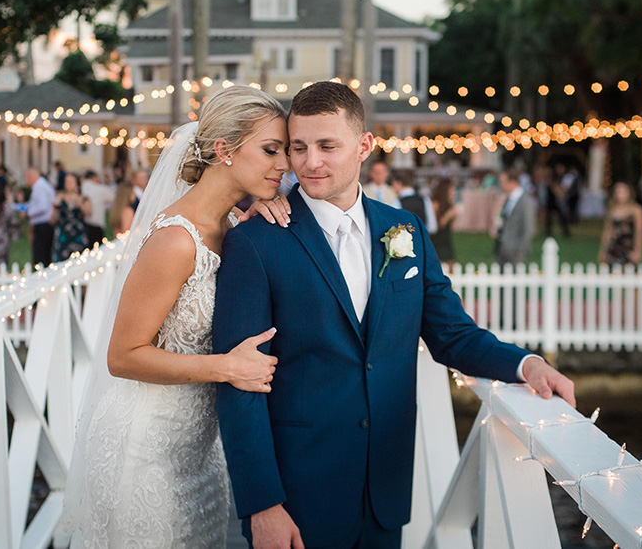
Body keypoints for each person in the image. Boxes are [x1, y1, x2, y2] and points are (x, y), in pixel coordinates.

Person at [213, 81, 574, 549]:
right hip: (298, 495)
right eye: (298, 147)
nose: (309, 162)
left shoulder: (404, 230)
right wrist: (262, 505)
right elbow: (239, 382)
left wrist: (526, 364)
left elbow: (452, 335)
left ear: (364, 145)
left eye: (327, 146)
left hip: (384, 487)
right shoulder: (256, 241)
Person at [59, 86, 291, 548]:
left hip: (200, 455)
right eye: (271, 149)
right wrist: (225, 367)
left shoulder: (229, 229)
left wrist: (252, 222)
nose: (284, 163)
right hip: (142, 453)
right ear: (224, 150)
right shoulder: (175, 240)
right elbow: (122, 356)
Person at [494, 169, 537, 266]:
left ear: (512, 182)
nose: (500, 185)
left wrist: (521, 251)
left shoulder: (525, 201)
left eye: (502, 182)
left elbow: (529, 228)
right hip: (502, 248)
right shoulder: (509, 199)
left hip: (515, 251)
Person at [598, 182, 642, 266]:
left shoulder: (636, 210)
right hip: (614, 246)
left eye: (623, 192)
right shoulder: (612, 209)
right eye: (618, 192)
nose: (620, 195)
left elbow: (639, 232)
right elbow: (608, 231)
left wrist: (637, 251)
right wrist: (603, 251)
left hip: (628, 247)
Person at [52, 173, 92, 262]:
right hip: (63, 234)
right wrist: (56, 206)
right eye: (66, 182)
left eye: (70, 182)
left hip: (78, 234)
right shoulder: (60, 197)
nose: (68, 184)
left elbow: (89, 214)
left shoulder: (83, 198)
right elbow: (53, 219)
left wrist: (79, 202)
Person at [23, 168, 55, 268]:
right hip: (42, 225)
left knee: (41, 257)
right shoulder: (42, 186)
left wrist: (28, 213)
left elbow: (43, 206)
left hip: (43, 225)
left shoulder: (40, 187)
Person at [430, 178, 458, 265]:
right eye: (451, 189)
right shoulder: (435, 204)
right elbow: (438, 225)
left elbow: (452, 227)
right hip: (437, 241)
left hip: (447, 240)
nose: (453, 192)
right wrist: (449, 215)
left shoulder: (450, 205)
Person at [81, 170, 109, 245]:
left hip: (83, 224)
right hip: (96, 224)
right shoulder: (100, 189)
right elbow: (113, 198)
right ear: (94, 178)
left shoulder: (82, 187)